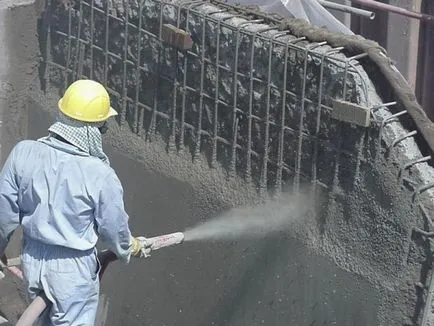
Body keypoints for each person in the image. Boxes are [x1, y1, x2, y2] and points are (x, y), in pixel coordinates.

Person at [0, 79, 149, 325]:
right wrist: (128, 247)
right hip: (72, 269)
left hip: (32, 259)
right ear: (93, 130)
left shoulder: (23, 153)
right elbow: (113, 227)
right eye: (103, 128)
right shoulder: (100, 174)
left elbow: (4, 212)